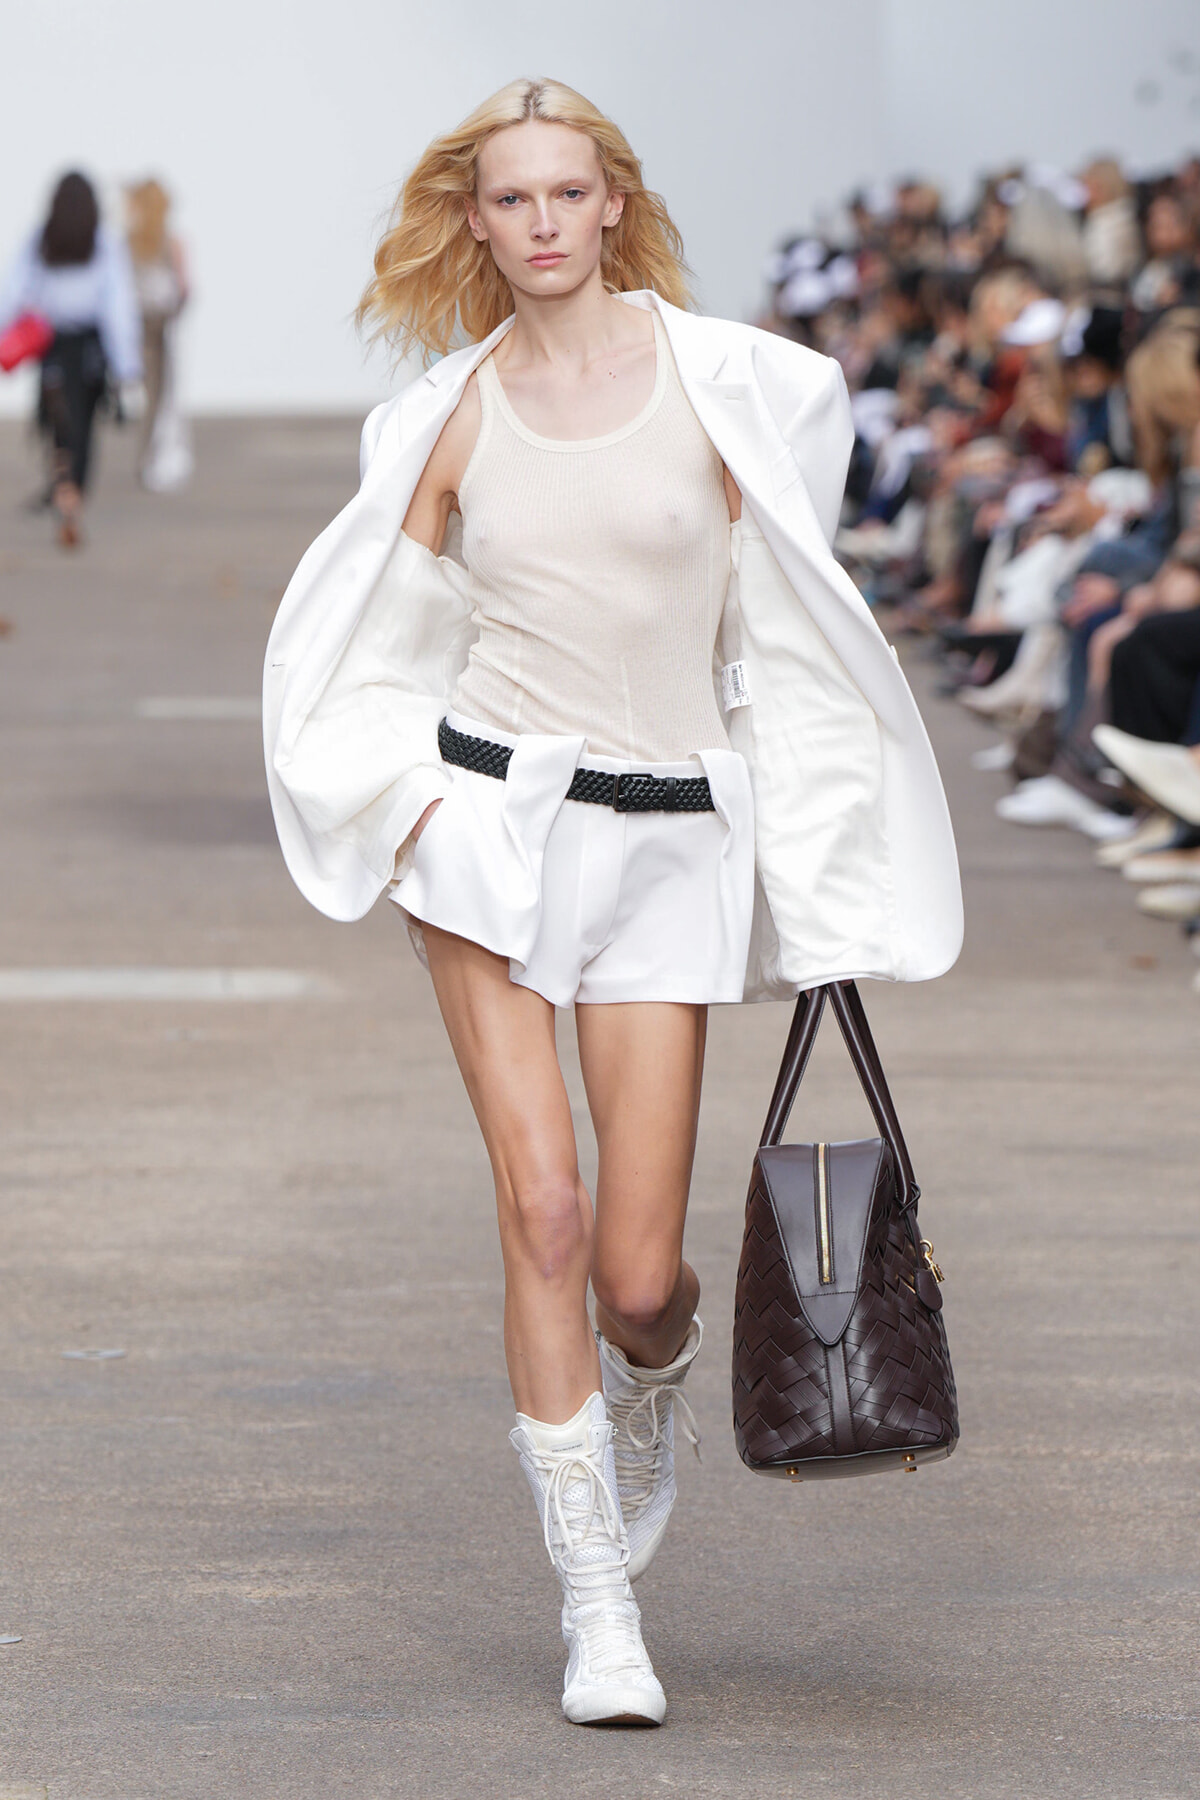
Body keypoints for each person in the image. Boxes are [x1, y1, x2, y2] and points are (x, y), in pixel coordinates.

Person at [263, 78, 962, 1728]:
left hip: (671, 841)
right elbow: (373, 626)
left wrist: (822, 859)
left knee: (642, 1272)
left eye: (569, 193)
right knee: (547, 1213)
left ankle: (642, 1385)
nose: (544, 224)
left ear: (614, 202)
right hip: (495, 834)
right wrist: (413, 796)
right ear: (479, 220)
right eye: (512, 200)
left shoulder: (743, 391)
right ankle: (597, 1608)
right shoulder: (445, 413)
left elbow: (791, 638)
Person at [0, 171, 142, 546]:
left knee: (58, 425)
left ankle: (64, 488)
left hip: (54, 348)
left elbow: (15, 292)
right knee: (82, 427)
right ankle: (72, 493)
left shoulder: (42, 239)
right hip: (90, 350)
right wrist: (127, 365)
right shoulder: (103, 244)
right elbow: (118, 307)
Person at [124, 178, 192, 491]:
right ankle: (154, 459)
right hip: (159, 325)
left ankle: (148, 458)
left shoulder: (129, 242)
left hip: (139, 326)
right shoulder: (169, 242)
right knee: (161, 393)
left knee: (151, 395)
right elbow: (183, 288)